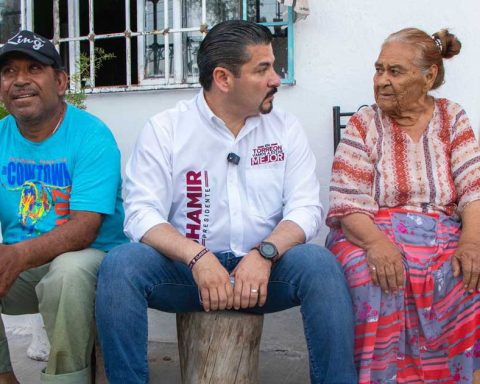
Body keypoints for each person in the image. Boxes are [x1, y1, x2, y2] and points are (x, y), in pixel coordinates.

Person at [95, 19, 357, 384]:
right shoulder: (166, 129)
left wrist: (265, 254)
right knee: (121, 265)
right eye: (263, 69)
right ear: (223, 78)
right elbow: (141, 213)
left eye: (275, 68)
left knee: (319, 264)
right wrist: (196, 257)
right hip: (188, 273)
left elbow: (306, 208)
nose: (276, 79)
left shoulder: (284, 128)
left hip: (264, 271)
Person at [326, 27, 480, 383]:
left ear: (429, 77)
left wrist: (471, 242)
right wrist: (378, 244)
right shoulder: (365, 124)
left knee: (468, 275)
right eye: (379, 70)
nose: (381, 80)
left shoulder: (452, 117)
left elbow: (474, 189)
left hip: (442, 235)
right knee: (370, 276)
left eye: (394, 71)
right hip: (370, 232)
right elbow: (346, 201)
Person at [0, 30, 127, 384]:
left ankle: (66, 379)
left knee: (67, 272)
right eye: (9, 71)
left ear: (59, 81)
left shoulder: (91, 136)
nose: (20, 80)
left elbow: (85, 228)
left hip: (94, 263)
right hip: (26, 265)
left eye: (33, 69)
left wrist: (15, 255)